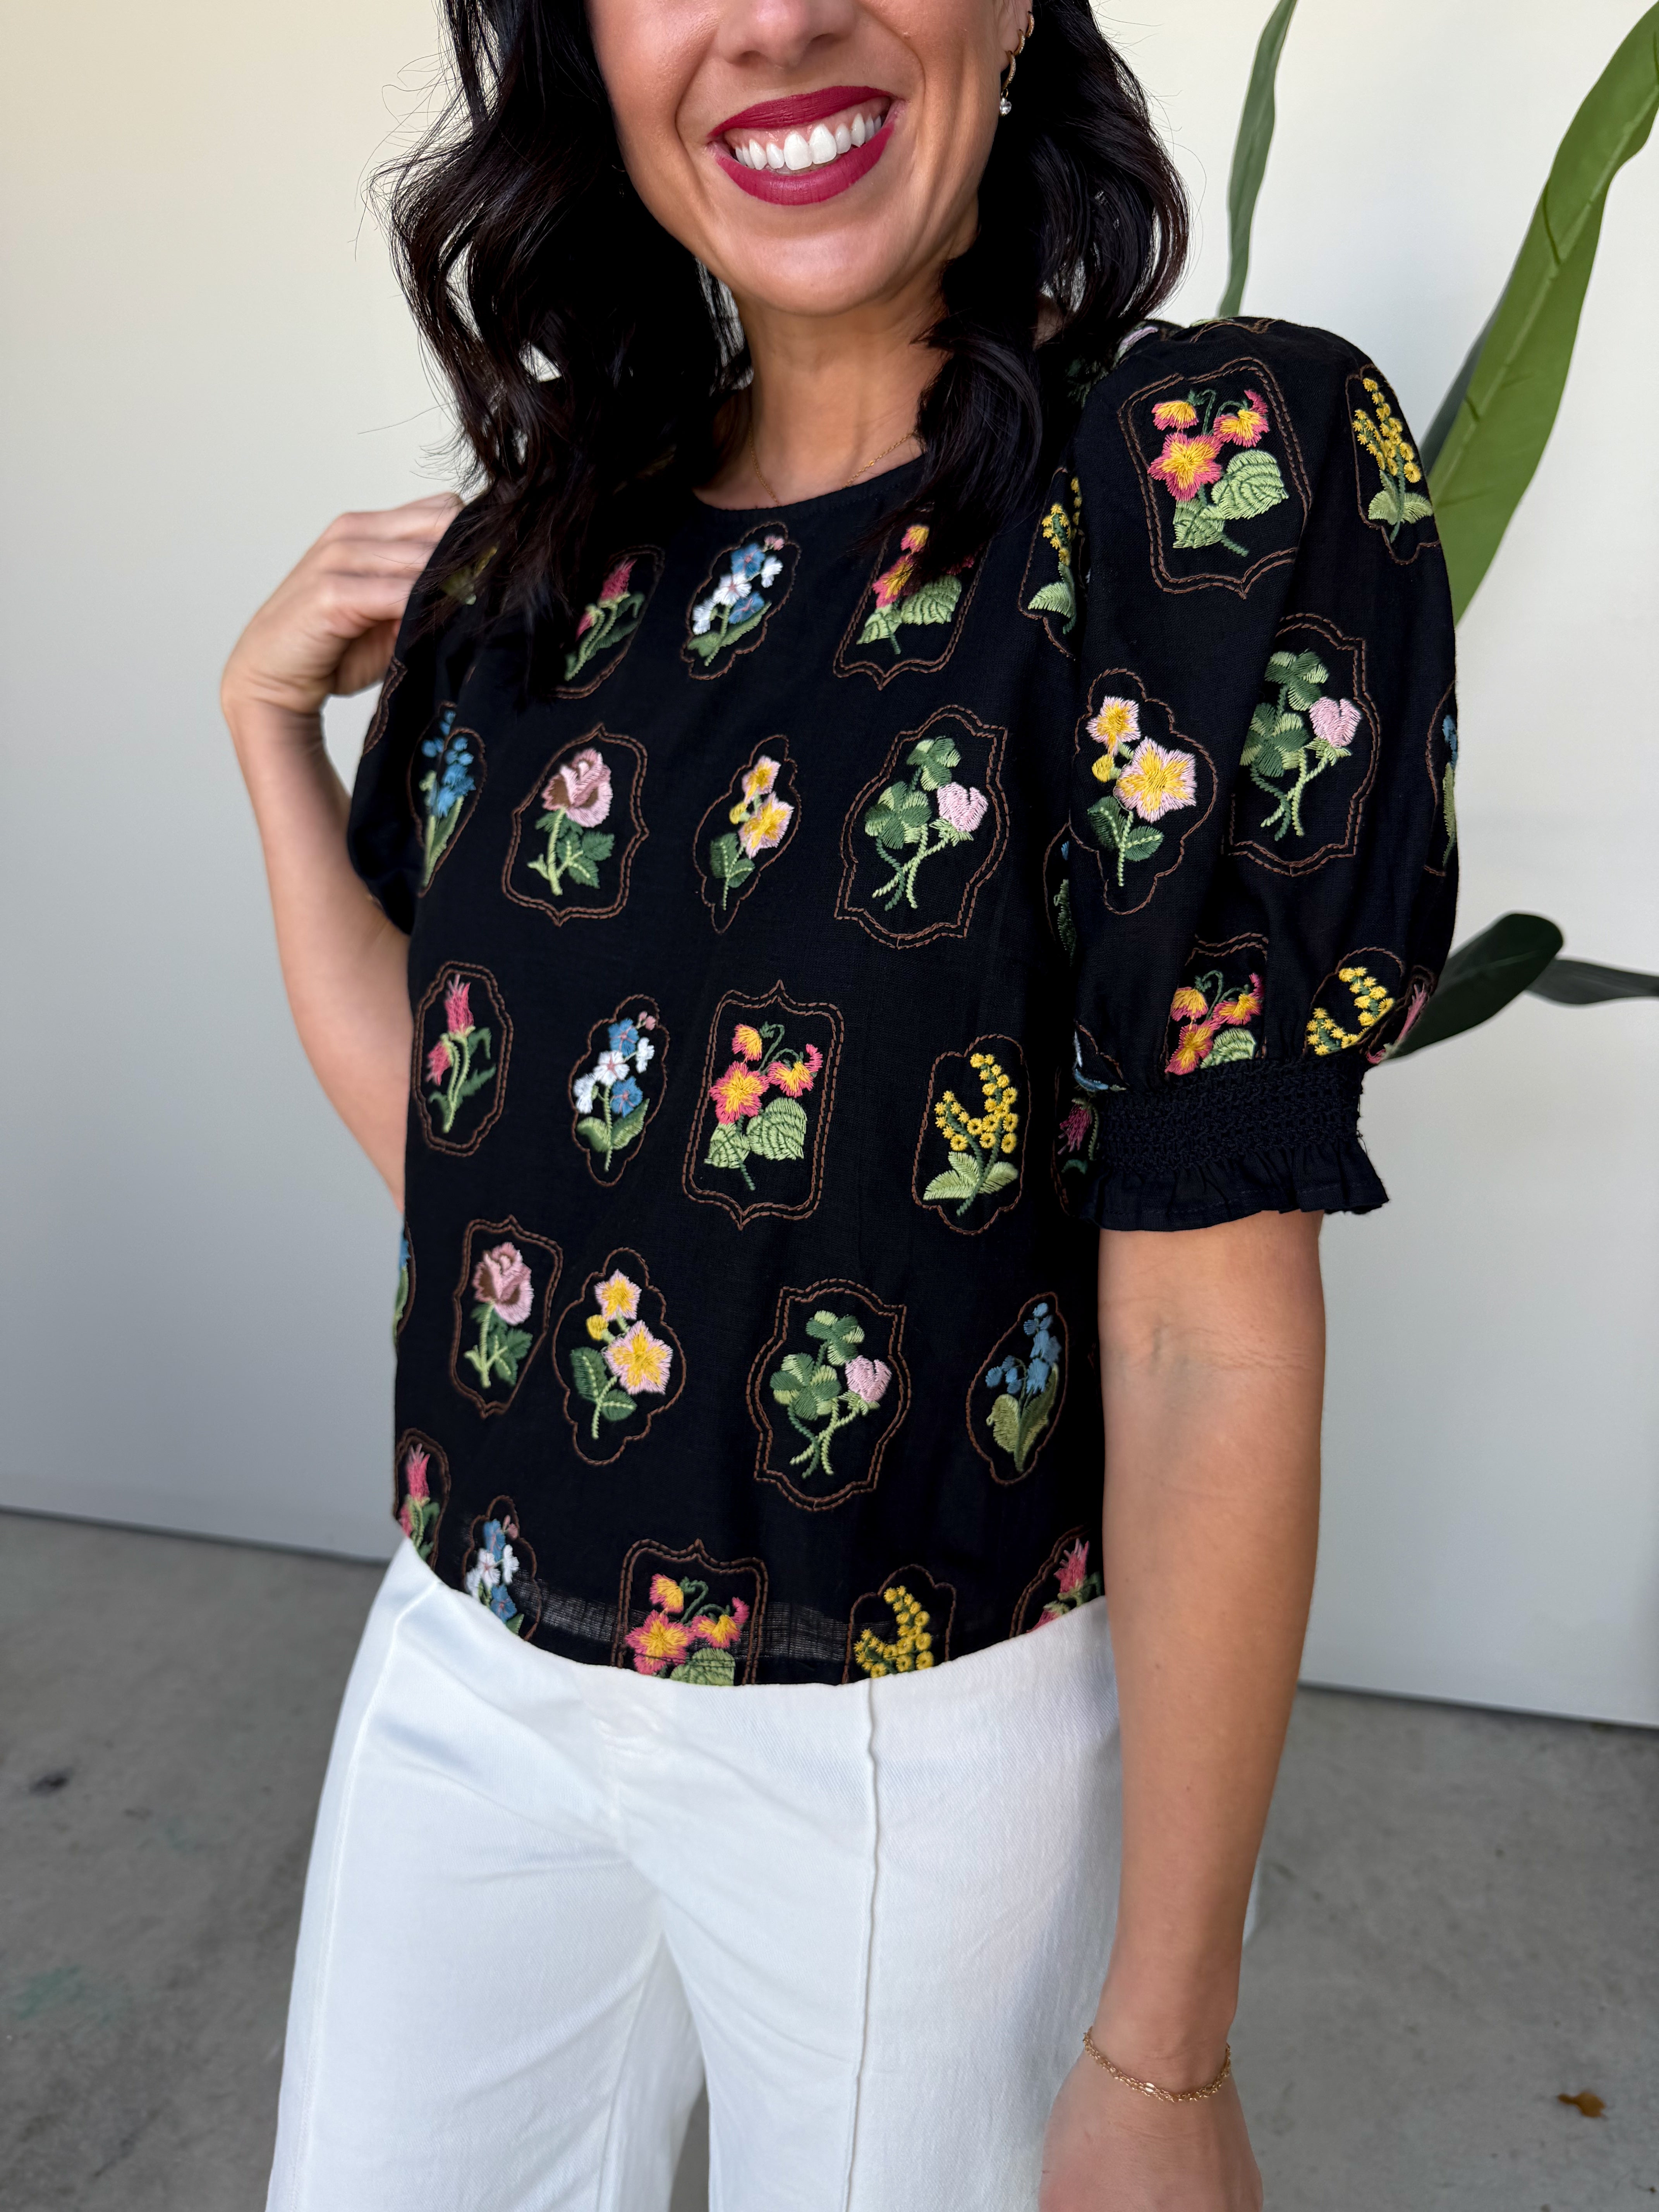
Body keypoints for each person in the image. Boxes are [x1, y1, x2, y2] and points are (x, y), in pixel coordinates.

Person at [223, 2, 1456, 2205]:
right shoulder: (547, 553)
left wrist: (1165, 2058)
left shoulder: (1189, 490)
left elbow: (1210, 1331)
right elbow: (471, 1159)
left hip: (911, 1738)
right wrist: (264, 742)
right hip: (467, 1662)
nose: (778, 16)